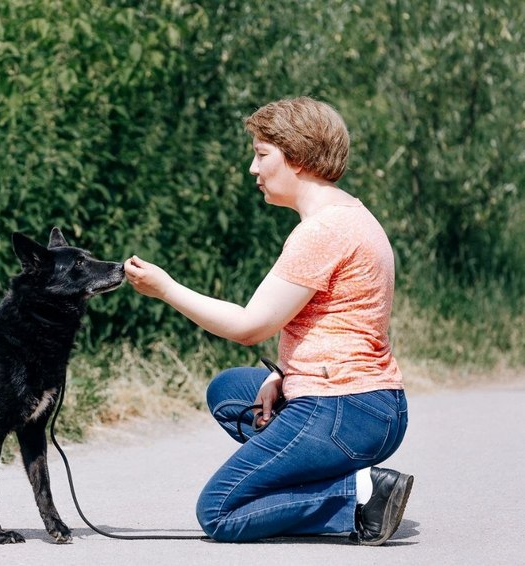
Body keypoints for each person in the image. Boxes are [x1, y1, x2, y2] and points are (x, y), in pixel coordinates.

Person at [124, 96, 412, 545]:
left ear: (295, 158)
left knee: (219, 512)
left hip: (344, 409)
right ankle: (320, 475)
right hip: (371, 404)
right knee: (229, 391)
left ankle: (355, 495)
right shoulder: (349, 215)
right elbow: (337, 323)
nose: (253, 170)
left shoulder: (322, 232)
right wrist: (283, 373)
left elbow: (249, 327)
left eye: (262, 155)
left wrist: (167, 289)